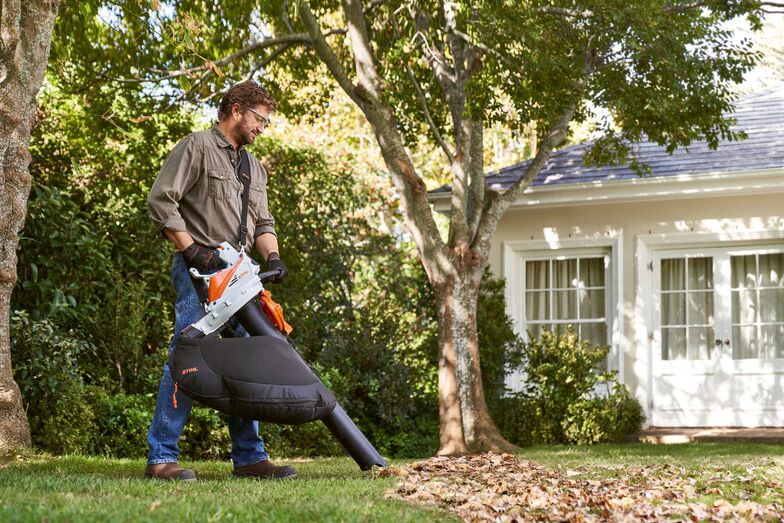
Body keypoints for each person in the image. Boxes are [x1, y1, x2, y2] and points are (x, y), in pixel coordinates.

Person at [145, 80, 294, 481]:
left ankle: (249, 458)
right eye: (260, 119)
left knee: (250, 359)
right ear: (235, 109)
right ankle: (161, 456)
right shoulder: (197, 147)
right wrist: (190, 248)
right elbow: (161, 199)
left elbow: (263, 222)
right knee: (188, 352)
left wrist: (273, 256)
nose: (263, 128)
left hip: (241, 275)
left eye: (267, 122)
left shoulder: (254, 167)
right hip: (199, 271)